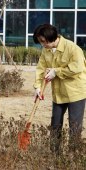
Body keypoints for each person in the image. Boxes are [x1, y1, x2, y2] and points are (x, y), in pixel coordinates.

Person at [33, 23, 86, 152]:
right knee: (55, 123)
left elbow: (77, 69)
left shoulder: (72, 48)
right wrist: (38, 87)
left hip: (75, 93)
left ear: (51, 36)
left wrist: (56, 71)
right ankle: (54, 153)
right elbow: (41, 69)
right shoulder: (46, 50)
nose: (42, 45)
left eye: (43, 41)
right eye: (40, 42)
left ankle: (73, 155)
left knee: (75, 125)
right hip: (58, 93)